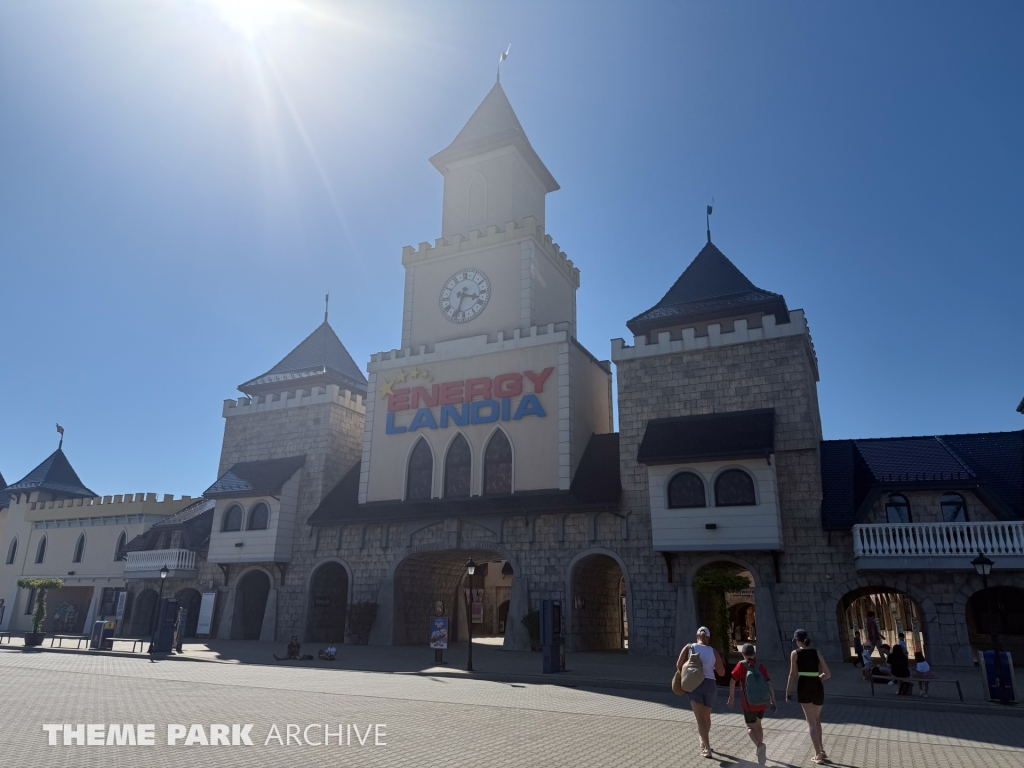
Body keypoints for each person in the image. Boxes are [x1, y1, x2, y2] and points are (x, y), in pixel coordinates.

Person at [676, 626, 726, 759]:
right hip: (710, 685)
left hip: (695, 684)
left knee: (700, 719)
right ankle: (703, 741)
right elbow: (722, 672)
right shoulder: (713, 651)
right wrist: (711, 665)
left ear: (697, 636)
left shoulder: (689, 647)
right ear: (708, 638)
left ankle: (707, 748)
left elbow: (678, 665)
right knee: (706, 717)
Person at [785, 629, 831, 765]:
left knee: (810, 722)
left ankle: (818, 755)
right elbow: (827, 674)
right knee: (817, 719)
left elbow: (792, 674)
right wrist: (817, 679)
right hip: (817, 687)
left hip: (804, 687)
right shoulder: (817, 653)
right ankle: (821, 749)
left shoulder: (795, 654)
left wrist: (788, 692)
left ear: (798, 640)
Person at [728, 643, 777, 765]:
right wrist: (773, 701)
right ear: (754, 654)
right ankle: (760, 749)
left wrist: (731, 697)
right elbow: (769, 684)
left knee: (750, 727)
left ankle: (760, 746)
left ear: (743, 654)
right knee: (758, 725)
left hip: (748, 703)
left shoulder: (741, 665)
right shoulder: (761, 666)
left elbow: (732, 680)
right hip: (762, 703)